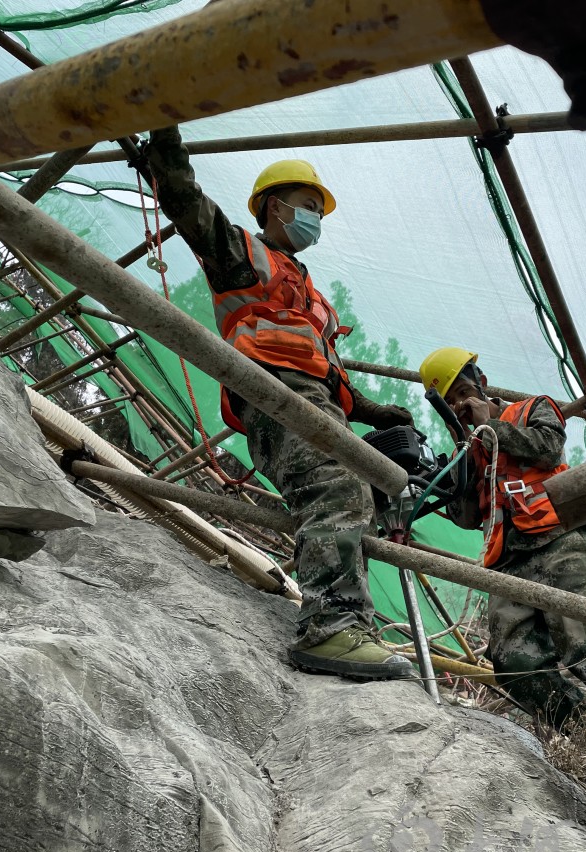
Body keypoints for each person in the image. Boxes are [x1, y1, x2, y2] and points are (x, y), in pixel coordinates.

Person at [141, 126, 414, 681]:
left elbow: (324, 370)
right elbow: (184, 200)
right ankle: (331, 629)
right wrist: (164, 133)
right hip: (274, 395)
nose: (315, 218)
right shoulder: (244, 253)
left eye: (320, 210)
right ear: (274, 207)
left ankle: (349, 616)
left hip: (317, 403)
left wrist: (371, 411)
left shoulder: (313, 295)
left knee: (367, 493)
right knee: (335, 486)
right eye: (307, 206)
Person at [420, 347, 586, 767]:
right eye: (449, 402)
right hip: (506, 560)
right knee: (511, 661)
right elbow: (470, 516)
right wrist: (456, 469)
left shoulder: (532, 409)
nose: (459, 405)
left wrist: (490, 426)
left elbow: (548, 448)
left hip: (559, 544)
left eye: (461, 391)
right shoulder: (468, 447)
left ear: (482, 381)